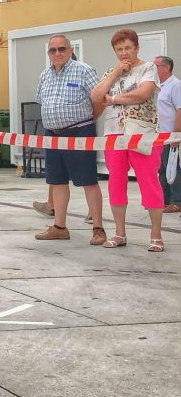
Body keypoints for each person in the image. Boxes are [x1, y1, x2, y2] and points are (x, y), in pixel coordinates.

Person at [90, 28, 162, 251]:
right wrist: (115, 73)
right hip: (113, 134)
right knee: (116, 182)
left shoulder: (148, 68)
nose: (124, 53)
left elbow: (143, 93)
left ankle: (156, 234)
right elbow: (95, 97)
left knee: (148, 180)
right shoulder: (111, 72)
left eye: (128, 48)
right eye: (119, 49)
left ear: (137, 48)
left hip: (142, 132)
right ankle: (119, 232)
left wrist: (112, 99)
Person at [32, 35, 106, 245]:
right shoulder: (45, 75)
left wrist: (91, 119)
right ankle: (59, 227)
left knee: (88, 180)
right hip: (52, 135)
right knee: (57, 181)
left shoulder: (84, 70)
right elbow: (42, 101)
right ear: (48, 53)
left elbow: (100, 99)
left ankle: (98, 229)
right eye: (53, 50)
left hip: (80, 132)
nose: (57, 53)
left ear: (70, 50)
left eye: (61, 49)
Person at [154, 56, 181, 213]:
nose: (153, 69)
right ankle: (163, 200)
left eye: (156, 65)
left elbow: (180, 110)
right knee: (163, 168)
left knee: (174, 168)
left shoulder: (175, 85)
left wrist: (176, 134)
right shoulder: (158, 87)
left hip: (172, 135)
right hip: (160, 136)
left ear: (167, 67)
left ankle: (177, 201)